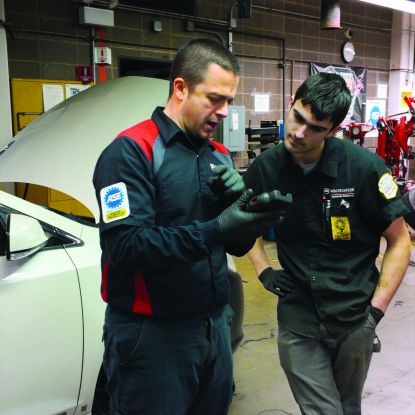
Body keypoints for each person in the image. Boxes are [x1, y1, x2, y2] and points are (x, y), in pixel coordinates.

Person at [92, 38, 281, 415]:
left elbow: (238, 246)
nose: (225, 111)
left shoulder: (220, 155)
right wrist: (217, 227)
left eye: (229, 100)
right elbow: (127, 247)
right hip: (152, 335)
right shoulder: (132, 151)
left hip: (213, 325)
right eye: (215, 99)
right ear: (180, 88)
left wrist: (249, 213)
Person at [244, 72, 411, 415]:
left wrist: (375, 313)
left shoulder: (363, 169)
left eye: (315, 128)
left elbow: (399, 241)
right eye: (298, 118)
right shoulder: (265, 169)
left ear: (333, 131)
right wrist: (263, 271)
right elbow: (242, 226)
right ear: (291, 102)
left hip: (353, 319)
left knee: (348, 408)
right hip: (298, 318)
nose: (299, 133)